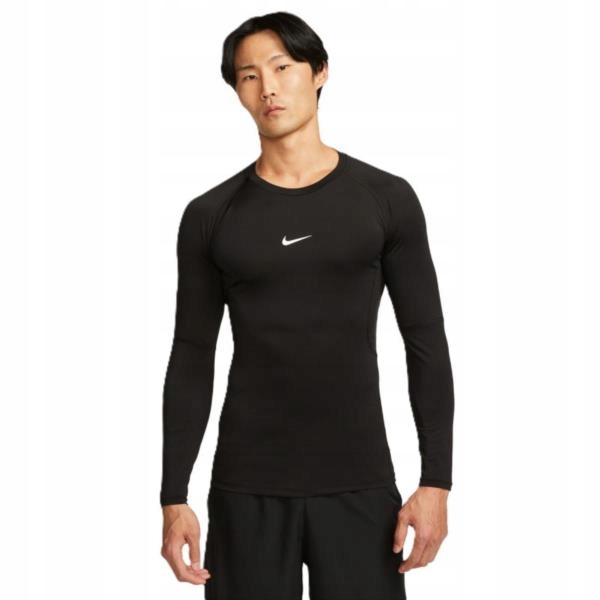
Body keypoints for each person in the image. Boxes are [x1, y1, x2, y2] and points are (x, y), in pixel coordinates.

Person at [159, 11, 454, 600]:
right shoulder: (210, 215)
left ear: (319, 72)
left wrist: (436, 482)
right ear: (237, 91)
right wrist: (173, 496)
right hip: (246, 485)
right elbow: (191, 354)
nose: (267, 88)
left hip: (360, 482)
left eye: (282, 67)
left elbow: (425, 341)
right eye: (248, 76)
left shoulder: (386, 199)